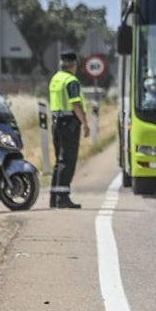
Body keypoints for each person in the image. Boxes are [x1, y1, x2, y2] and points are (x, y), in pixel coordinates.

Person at [48, 50, 89, 209]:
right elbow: (76, 104)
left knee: (60, 160)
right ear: (74, 65)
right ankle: (63, 198)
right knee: (68, 160)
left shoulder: (55, 79)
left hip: (56, 123)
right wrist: (85, 123)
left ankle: (54, 197)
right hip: (69, 124)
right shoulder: (71, 81)